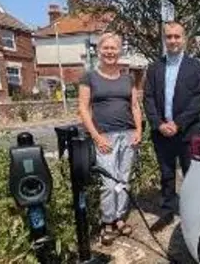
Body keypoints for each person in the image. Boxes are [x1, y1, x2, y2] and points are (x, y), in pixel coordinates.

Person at [78, 32, 142, 245]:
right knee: (108, 182)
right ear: (99, 51)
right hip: (105, 136)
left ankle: (120, 219)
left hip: (128, 135)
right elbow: (84, 109)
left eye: (114, 48)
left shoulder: (128, 78)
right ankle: (107, 222)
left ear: (119, 51)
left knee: (124, 180)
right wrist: (96, 137)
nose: (110, 52)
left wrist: (139, 131)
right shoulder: (89, 76)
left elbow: (134, 106)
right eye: (106, 48)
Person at [144, 21, 200, 228]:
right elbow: (149, 98)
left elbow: (199, 100)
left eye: (176, 36)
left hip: (187, 131)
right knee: (167, 173)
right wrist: (159, 124)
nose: (173, 40)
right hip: (161, 132)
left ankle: (193, 213)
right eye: (168, 37)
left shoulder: (195, 66)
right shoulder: (154, 68)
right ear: (164, 39)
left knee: (191, 174)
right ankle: (168, 211)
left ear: (184, 39)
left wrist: (178, 124)